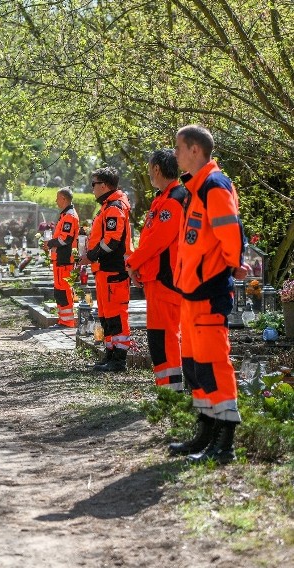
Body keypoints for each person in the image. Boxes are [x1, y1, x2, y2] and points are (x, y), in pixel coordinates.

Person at [169, 125, 248, 464]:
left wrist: (232, 266)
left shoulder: (214, 186)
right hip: (191, 293)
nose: (175, 154)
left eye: (178, 148)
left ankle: (225, 442)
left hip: (209, 292)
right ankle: (205, 433)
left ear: (195, 151)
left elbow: (231, 234)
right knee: (195, 367)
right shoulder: (196, 188)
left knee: (215, 365)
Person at [125, 150, 186, 390]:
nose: (149, 173)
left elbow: (157, 241)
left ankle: (171, 390)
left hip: (166, 280)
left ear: (157, 169)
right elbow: (152, 240)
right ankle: (166, 386)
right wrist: (139, 267)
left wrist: (132, 263)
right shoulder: (163, 198)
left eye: (150, 168)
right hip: (157, 279)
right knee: (158, 337)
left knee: (165, 336)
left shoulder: (174, 200)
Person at [83, 166, 133, 372]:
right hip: (104, 270)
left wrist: (92, 254)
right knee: (106, 315)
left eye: (94, 184)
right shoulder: (107, 206)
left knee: (116, 315)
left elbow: (112, 240)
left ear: (104, 185)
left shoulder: (114, 207)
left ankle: (119, 360)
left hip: (113, 270)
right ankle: (110, 355)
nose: (92, 188)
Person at [45, 188, 79, 328]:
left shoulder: (69, 216)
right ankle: (63, 320)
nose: (55, 200)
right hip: (61, 260)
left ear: (64, 199)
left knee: (63, 291)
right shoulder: (66, 215)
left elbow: (65, 239)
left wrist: (50, 243)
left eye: (57, 198)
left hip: (65, 260)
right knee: (59, 291)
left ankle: (67, 322)